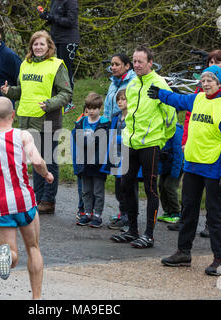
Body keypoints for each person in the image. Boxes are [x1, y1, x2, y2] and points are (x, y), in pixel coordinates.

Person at [151, 65, 221, 276]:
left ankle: (220, 260)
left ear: (220, 83)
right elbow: (179, 100)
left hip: (214, 167)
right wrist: (161, 94)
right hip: (192, 164)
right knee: (188, 210)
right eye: (203, 80)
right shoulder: (197, 98)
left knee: (215, 214)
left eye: (211, 80)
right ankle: (183, 252)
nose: (206, 83)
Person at [0, 96, 53, 300]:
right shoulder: (22, 136)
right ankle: (36, 298)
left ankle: (8, 256)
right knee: (33, 248)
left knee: (11, 252)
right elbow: (37, 161)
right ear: (13, 114)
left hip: (0, 202)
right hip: (24, 199)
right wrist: (47, 174)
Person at [109, 45, 177, 249]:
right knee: (125, 185)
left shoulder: (159, 84)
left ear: (150, 63)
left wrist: (161, 139)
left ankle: (149, 234)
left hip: (151, 144)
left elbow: (171, 116)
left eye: (140, 61)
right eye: (135, 61)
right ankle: (132, 230)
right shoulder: (131, 84)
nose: (137, 65)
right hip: (131, 142)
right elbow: (129, 113)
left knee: (150, 189)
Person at [1, 30, 72, 214]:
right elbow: (23, 91)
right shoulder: (26, 64)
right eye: (35, 44)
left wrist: (49, 104)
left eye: (42, 44)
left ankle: (48, 201)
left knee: (49, 161)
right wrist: (10, 91)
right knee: (35, 161)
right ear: (31, 46)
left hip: (49, 121)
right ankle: (38, 198)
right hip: (27, 121)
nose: (38, 47)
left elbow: (66, 94)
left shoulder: (57, 65)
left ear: (49, 46)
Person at [180, 49, 221, 237]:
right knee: (189, 203)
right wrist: (186, 139)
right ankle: (183, 248)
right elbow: (188, 115)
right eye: (210, 61)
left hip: (214, 159)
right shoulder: (199, 93)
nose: (212, 65)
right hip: (195, 157)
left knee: (214, 203)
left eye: (216, 62)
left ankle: (219, 254)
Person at [72, 93, 110, 228]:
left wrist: (88, 141)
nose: (91, 111)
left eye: (94, 108)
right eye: (89, 108)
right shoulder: (81, 122)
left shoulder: (105, 123)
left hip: (98, 163)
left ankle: (97, 215)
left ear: (100, 108)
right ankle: (87, 213)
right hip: (84, 162)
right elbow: (77, 137)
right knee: (86, 190)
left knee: (98, 191)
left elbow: (101, 141)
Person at [106, 89, 138, 231]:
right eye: (118, 99)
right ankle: (123, 214)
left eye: (123, 99)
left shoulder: (134, 117)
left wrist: (118, 139)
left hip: (130, 158)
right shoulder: (116, 117)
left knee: (129, 189)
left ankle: (130, 219)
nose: (120, 101)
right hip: (117, 158)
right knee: (119, 190)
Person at [39, 0, 80, 113]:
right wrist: (46, 17)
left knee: (66, 69)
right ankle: (59, 98)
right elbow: (54, 19)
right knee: (56, 69)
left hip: (68, 40)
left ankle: (68, 102)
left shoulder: (71, 2)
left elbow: (70, 21)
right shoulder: (55, 1)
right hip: (55, 39)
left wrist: (53, 17)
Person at [157, 122, 183, 225]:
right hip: (165, 165)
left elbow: (179, 153)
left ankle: (176, 212)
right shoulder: (162, 127)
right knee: (161, 186)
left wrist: (176, 171)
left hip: (176, 166)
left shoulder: (177, 130)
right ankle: (168, 211)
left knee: (170, 187)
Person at [103, 53, 136, 121]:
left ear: (127, 66)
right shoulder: (113, 83)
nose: (113, 68)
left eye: (117, 64)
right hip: (112, 124)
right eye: (112, 65)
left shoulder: (134, 82)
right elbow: (106, 106)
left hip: (126, 124)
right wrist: (105, 122)